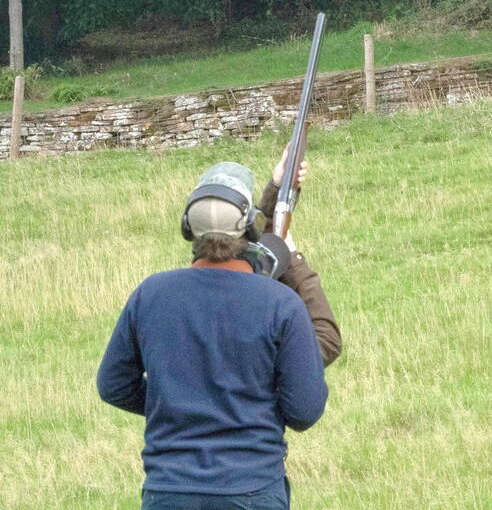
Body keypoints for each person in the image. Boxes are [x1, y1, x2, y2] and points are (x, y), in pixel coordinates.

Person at [97, 147, 339, 509]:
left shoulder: (150, 294)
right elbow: (304, 411)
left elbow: (114, 386)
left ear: (188, 228)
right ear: (250, 227)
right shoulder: (280, 303)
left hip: (167, 493)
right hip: (252, 493)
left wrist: (180, 403)